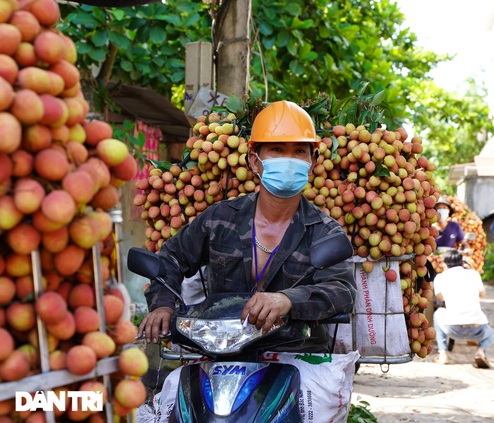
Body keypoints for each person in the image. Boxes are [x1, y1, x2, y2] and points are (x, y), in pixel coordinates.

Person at [137, 100, 357, 353]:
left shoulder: (325, 232)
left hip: (296, 353)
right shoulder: (220, 219)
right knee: (170, 390)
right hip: (221, 352)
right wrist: (163, 305)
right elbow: (171, 258)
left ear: (313, 161)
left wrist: (287, 300)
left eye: (299, 151)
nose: (289, 160)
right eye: (276, 149)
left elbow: (342, 291)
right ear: (254, 162)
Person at [433, 250, 494, 368]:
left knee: (438, 314)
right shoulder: (474, 274)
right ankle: (480, 351)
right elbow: (482, 294)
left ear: (445, 264)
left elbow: (440, 298)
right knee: (490, 334)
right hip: (478, 330)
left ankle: (443, 354)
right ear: (462, 263)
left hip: (453, 329)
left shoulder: (440, 277)